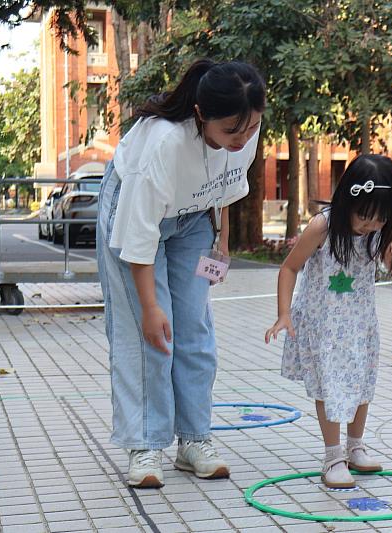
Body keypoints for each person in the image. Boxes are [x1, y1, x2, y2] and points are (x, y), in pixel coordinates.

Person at [96, 59, 265, 488]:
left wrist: (221, 242)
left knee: (195, 330)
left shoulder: (243, 127)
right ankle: (145, 444)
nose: (243, 138)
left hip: (193, 220)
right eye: (233, 131)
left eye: (250, 129)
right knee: (151, 334)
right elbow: (138, 235)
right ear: (200, 114)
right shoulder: (166, 143)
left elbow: (224, 183)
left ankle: (194, 441)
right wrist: (150, 307)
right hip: (134, 214)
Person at [264, 154, 392, 489]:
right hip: (323, 323)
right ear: (347, 201)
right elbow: (289, 268)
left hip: (360, 322)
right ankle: (333, 455)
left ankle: (356, 447)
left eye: (380, 220)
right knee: (331, 384)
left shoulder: (377, 230)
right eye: (365, 217)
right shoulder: (322, 227)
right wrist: (283, 313)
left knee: (362, 382)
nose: (370, 226)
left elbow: (388, 257)